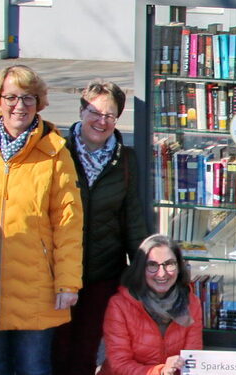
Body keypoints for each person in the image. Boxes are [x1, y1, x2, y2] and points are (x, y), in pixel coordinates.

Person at [0, 64, 85, 375]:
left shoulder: (54, 152)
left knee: (33, 368)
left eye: (28, 98)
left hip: (36, 289)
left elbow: (67, 222)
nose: (19, 106)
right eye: (11, 97)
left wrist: (67, 282)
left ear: (39, 102)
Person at [52, 79, 152, 375]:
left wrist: (145, 272)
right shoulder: (57, 152)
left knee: (86, 350)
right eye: (95, 112)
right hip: (57, 272)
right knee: (55, 349)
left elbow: (133, 218)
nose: (101, 121)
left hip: (101, 273)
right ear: (81, 111)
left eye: (110, 115)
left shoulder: (125, 161)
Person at [99, 234, 202, 375]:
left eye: (169, 264)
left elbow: (192, 359)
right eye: (152, 265)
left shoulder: (192, 303)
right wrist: (159, 371)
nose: (162, 274)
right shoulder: (119, 305)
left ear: (179, 267)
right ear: (141, 268)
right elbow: (119, 364)